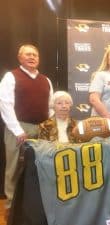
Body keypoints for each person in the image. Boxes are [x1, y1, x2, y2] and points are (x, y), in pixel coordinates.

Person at [0, 44, 53, 218]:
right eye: (28, 54)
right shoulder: (11, 77)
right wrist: (16, 130)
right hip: (19, 128)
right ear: (20, 57)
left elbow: (51, 107)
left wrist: (51, 127)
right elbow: (5, 104)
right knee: (14, 168)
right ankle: (10, 208)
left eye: (35, 55)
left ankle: (38, 204)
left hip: (42, 129)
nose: (32, 57)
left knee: (41, 167)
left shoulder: (46, 80)